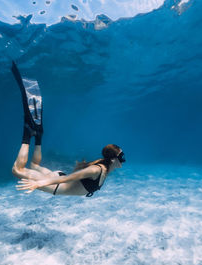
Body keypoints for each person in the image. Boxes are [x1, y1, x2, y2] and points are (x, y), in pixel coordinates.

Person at [10, 61, 125, 196]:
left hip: (59, 179)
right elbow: (65, 178)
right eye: (121, 157)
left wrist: (78, 169)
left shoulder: (103, 168)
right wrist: (38, 184)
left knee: (34, 165)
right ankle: (28, 135)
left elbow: (76, 176)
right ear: (112, 159)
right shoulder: (96, 170)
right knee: (17, 170)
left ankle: (38, 135)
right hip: (58, 184)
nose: (123, 160)